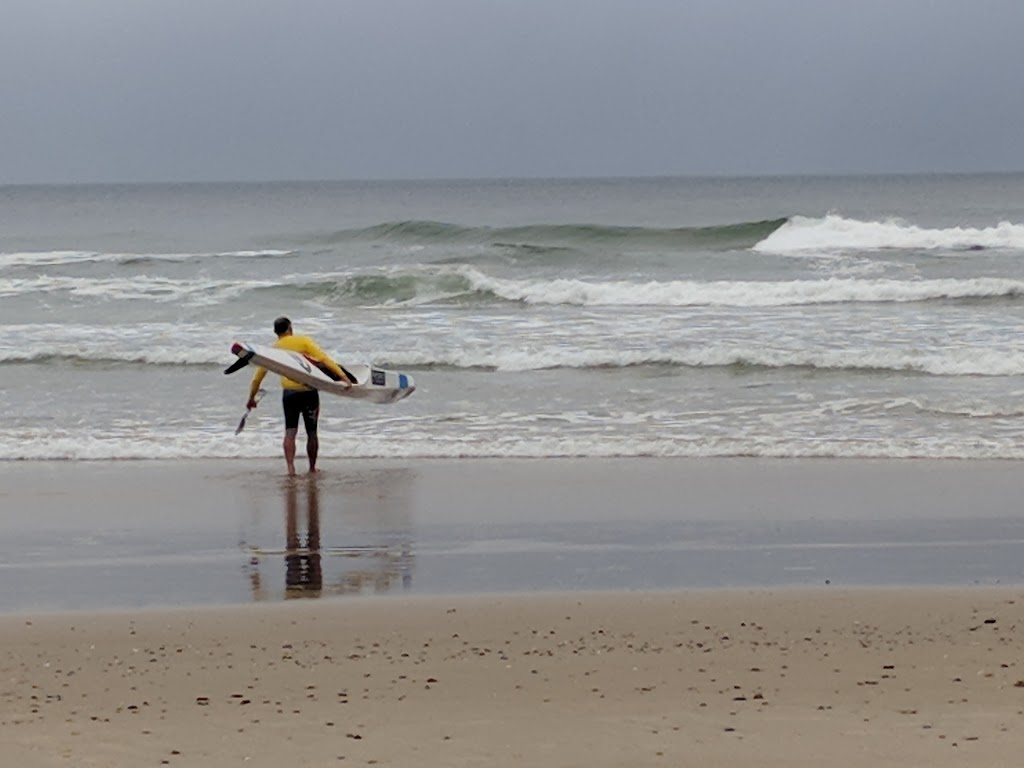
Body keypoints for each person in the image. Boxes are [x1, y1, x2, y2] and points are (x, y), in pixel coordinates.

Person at [246, 316, 352, 475]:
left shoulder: (272, 351)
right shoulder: (303, 341)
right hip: (309, 393)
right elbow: (323, 359)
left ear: (276, 332)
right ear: (290, 328)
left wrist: (251, 399)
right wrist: (343, 377)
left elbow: (257, 378)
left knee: (290, 432)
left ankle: (290, 469)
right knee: (312, 433)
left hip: (289, 395)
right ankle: (312, 468)